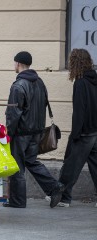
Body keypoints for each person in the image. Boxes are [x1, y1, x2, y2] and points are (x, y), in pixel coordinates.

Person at [4, 51, 63, 208]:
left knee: (18, 166)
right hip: (36, 132)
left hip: (21, 133)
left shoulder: (18, 86)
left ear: (18, 64)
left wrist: (9, 132)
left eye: (14, 63)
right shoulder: (40, 82)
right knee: (32, 161)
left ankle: (17, 201)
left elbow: (13, 113)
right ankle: (54, 187)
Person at [50, 49, 97, 208]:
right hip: (95, 131)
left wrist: (75, 134)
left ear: (75, 63)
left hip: (83, 132)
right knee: (95, 166)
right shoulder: (94, 79)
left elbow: (79, 111)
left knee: (71, 165)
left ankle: (63, 197)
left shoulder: (81, 82)